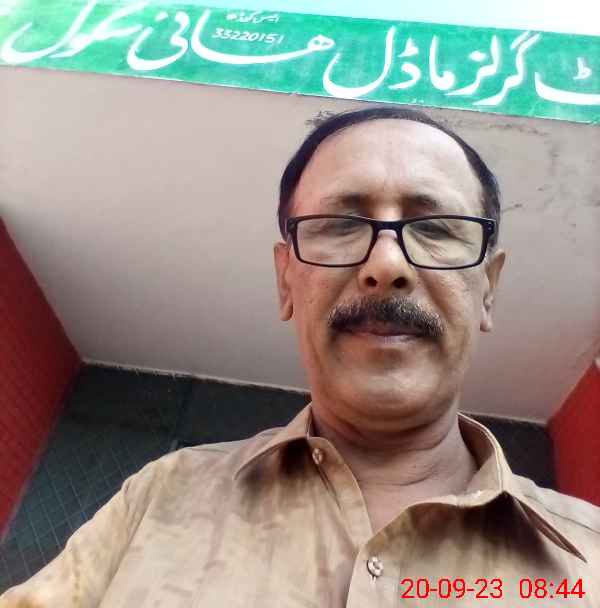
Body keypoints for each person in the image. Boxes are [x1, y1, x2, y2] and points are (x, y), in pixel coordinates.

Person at [2, 105, 599, 607]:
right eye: (340, 224)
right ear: (285, 280)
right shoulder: (162, 495)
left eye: (437, 229)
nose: (386, 264)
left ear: (488, 288)